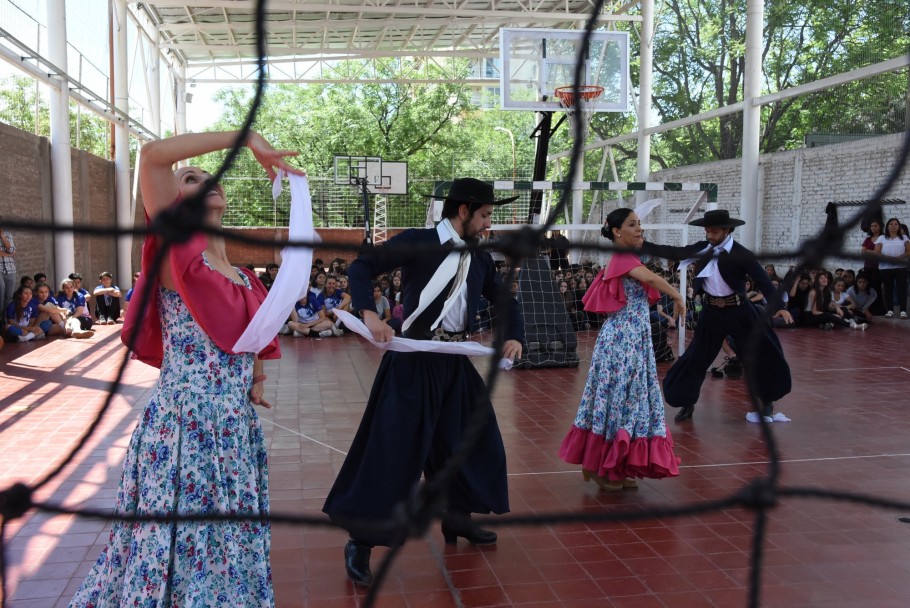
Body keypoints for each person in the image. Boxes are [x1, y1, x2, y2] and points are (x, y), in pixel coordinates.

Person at [68, 130, 298, 607]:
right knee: (185, 555)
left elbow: (249, 338)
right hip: (184, 432)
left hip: (234, 431)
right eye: (189, 178)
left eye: (207, 175)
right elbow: (151, 157)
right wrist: (246, 137)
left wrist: (255, 378)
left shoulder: (245, 277)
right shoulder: (178, 255)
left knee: (227, 554)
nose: (203, 178)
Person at [323, 177, 524, 586]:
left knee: (474, 439)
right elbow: (362, 267)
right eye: (485, 215)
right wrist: (369, 313)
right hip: (412, 362)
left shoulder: (480, 258)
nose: (488, 224)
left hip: (453, 361)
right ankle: (360, 541)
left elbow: (504, 298)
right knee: (393, 452)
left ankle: (457, 518)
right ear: (463, 210)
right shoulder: (417, 240)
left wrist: (514, 333)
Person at [559, 208, 683, 490]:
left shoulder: (629, 257)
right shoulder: (621, 258)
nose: (639, 229)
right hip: (622, 342)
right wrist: (677, 295)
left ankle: (617, 464)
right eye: (632, 224)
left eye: (640, 224)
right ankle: (600, 465)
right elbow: (651, 280)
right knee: (617, 401)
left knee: (631, 400)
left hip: (634, 340)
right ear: (617, 231)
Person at [640, 209, 792, 423]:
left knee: (761, 354)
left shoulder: (741, 254)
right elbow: (674, 252)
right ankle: (686, 402)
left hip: (740, 311)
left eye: (714, 231)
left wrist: (779, 306)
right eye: (707, 231)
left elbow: (763, 280)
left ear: (728, 230)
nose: (709, 235)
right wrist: (643, 244)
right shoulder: (702, 249)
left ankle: (767, 401)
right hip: (711, 313)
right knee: (696, 357)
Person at [874, 217, 910, 319]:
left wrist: (899, 257)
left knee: (901, 289)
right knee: (888, 289)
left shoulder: (904, 237)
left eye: (896, 224)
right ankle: (889, 310)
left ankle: (903, 311)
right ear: (887, 226)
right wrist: (888, 258)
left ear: (899, 226)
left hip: (901, 267)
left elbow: (908, 251)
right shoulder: (881, 237)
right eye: (891, 224)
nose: (893, 226)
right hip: (885, 268)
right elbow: (877, 252)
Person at [0, 220, 16, 311]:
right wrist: (9, 255)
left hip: (10, 268)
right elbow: (11, 253)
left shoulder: (7, 234)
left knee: (9, 296)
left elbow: (11, 249)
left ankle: (7, 319)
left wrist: (2, 236)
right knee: (1, 290)